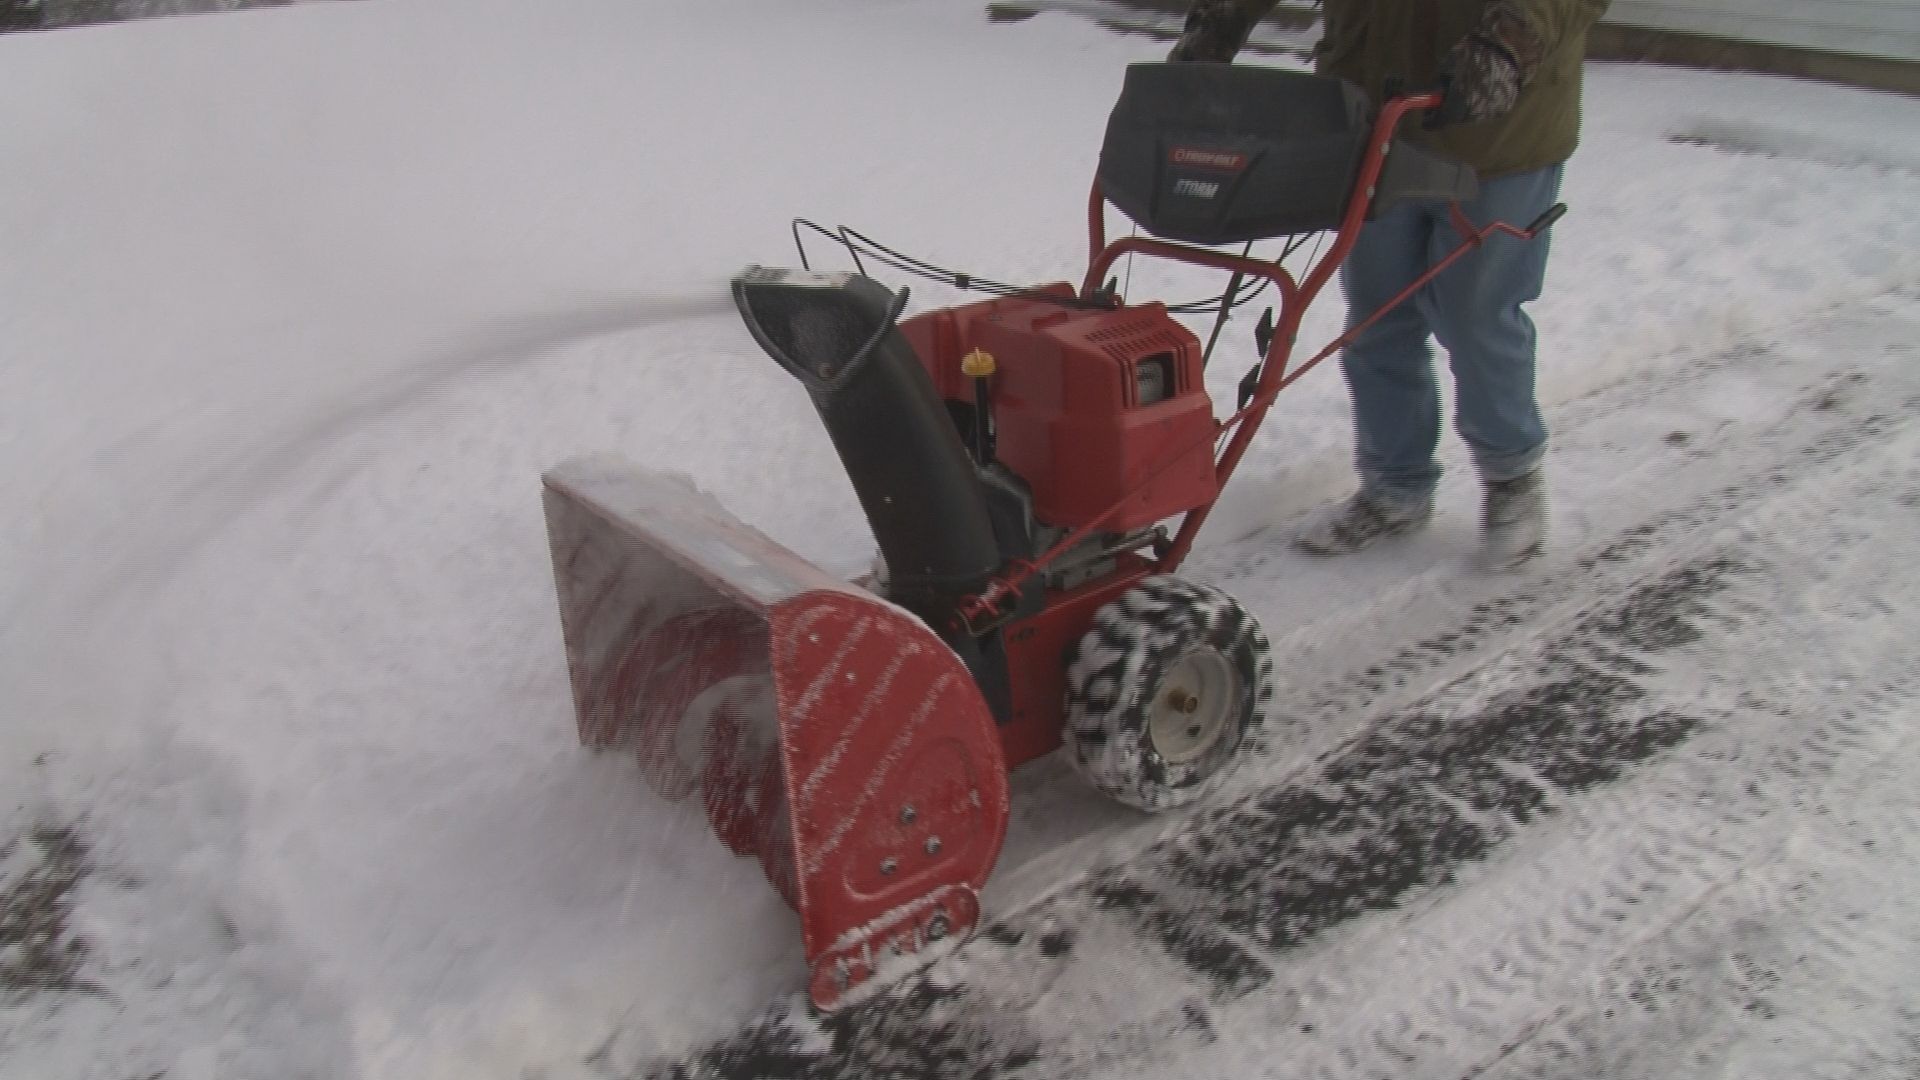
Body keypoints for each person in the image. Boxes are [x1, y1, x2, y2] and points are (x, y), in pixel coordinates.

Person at [1170, 0, 1609, 569]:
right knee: (1377, 322)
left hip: (1498, 135)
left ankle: (1512, 481)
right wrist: (1222, 18)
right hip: (1372, 118)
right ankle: (1394, 487)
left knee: (1474, 320)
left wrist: (1509, 40)